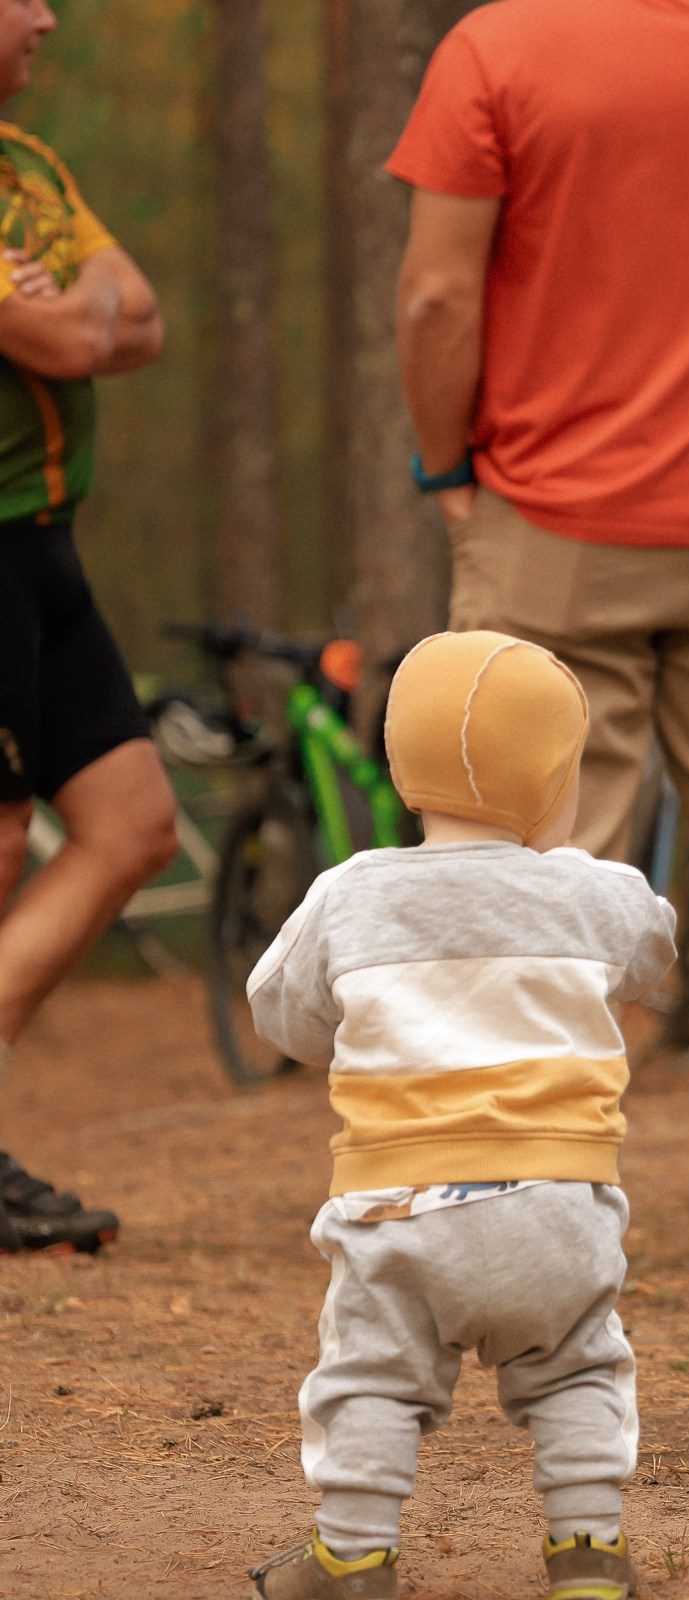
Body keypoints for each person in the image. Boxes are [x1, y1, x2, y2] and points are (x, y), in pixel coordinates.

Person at [387, 0, 689, 1270]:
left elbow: (437, 296)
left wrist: (449, 478)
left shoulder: (496, 50)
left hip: (553, 520)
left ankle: (519, 1188)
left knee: (534, 857)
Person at [246, 632, 676, 1600]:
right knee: (573, 1371)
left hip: (399, 1204)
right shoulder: (595, 895)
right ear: (551, 779)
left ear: (404, 769)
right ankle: (589, 1554)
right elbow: (655, 954)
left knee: (372, 1379)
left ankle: (352, 1557)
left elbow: (280, 1009)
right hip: (559, 1204)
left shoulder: (349, 894)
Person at [0, 0, 169, 1255]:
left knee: (132, 823)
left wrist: (83, 307)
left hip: (49, 548)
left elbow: (135, 316)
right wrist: (77, 311)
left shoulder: (30, 165)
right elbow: (71, 327)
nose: (47, 17)